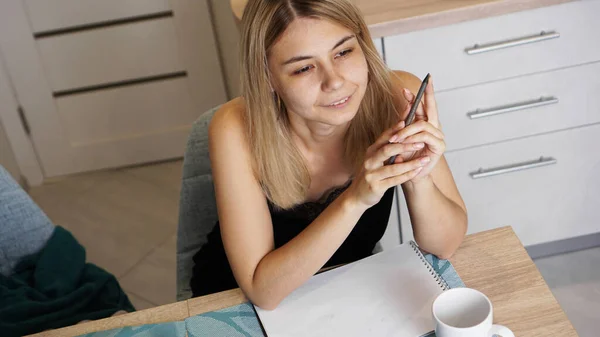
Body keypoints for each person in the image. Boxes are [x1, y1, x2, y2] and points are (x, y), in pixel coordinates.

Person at [190, 0, 467, 310]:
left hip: (343, 292)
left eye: (343, 52)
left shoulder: (396, 98)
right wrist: (356, 198)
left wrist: (418, 175)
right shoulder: (235, 128)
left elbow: (445, 244)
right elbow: (262, 291)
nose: (334, 81)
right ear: (267, 77)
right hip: (236, 302)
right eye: (304, 67)